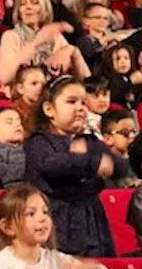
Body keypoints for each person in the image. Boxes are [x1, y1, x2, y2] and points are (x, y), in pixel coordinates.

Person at [26, 76, 131, 257]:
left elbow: (120, 166)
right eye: (71, 101)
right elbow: (51, 165)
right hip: (59, 221)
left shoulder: (88, 141)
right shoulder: (39, 141)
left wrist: (101, 159)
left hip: (93, 220)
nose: (80, 108)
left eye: (83, 102)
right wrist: (88, 160)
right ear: (49, 109)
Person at [0, 0, 88, 88]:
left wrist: (72, 50)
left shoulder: (54, 36)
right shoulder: (11, 36)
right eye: (23, 4)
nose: (28, 7)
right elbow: (4, 77)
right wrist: (37, 41)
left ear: (44, 8)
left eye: (34, 3)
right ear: (19, 10)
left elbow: (87, 82)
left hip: (53, 94)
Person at [0, 107, 26, 185]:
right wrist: (31, 167)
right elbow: (0, 175)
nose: (17, 125)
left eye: (19, 122)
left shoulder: (29, 146)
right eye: (9, 122)